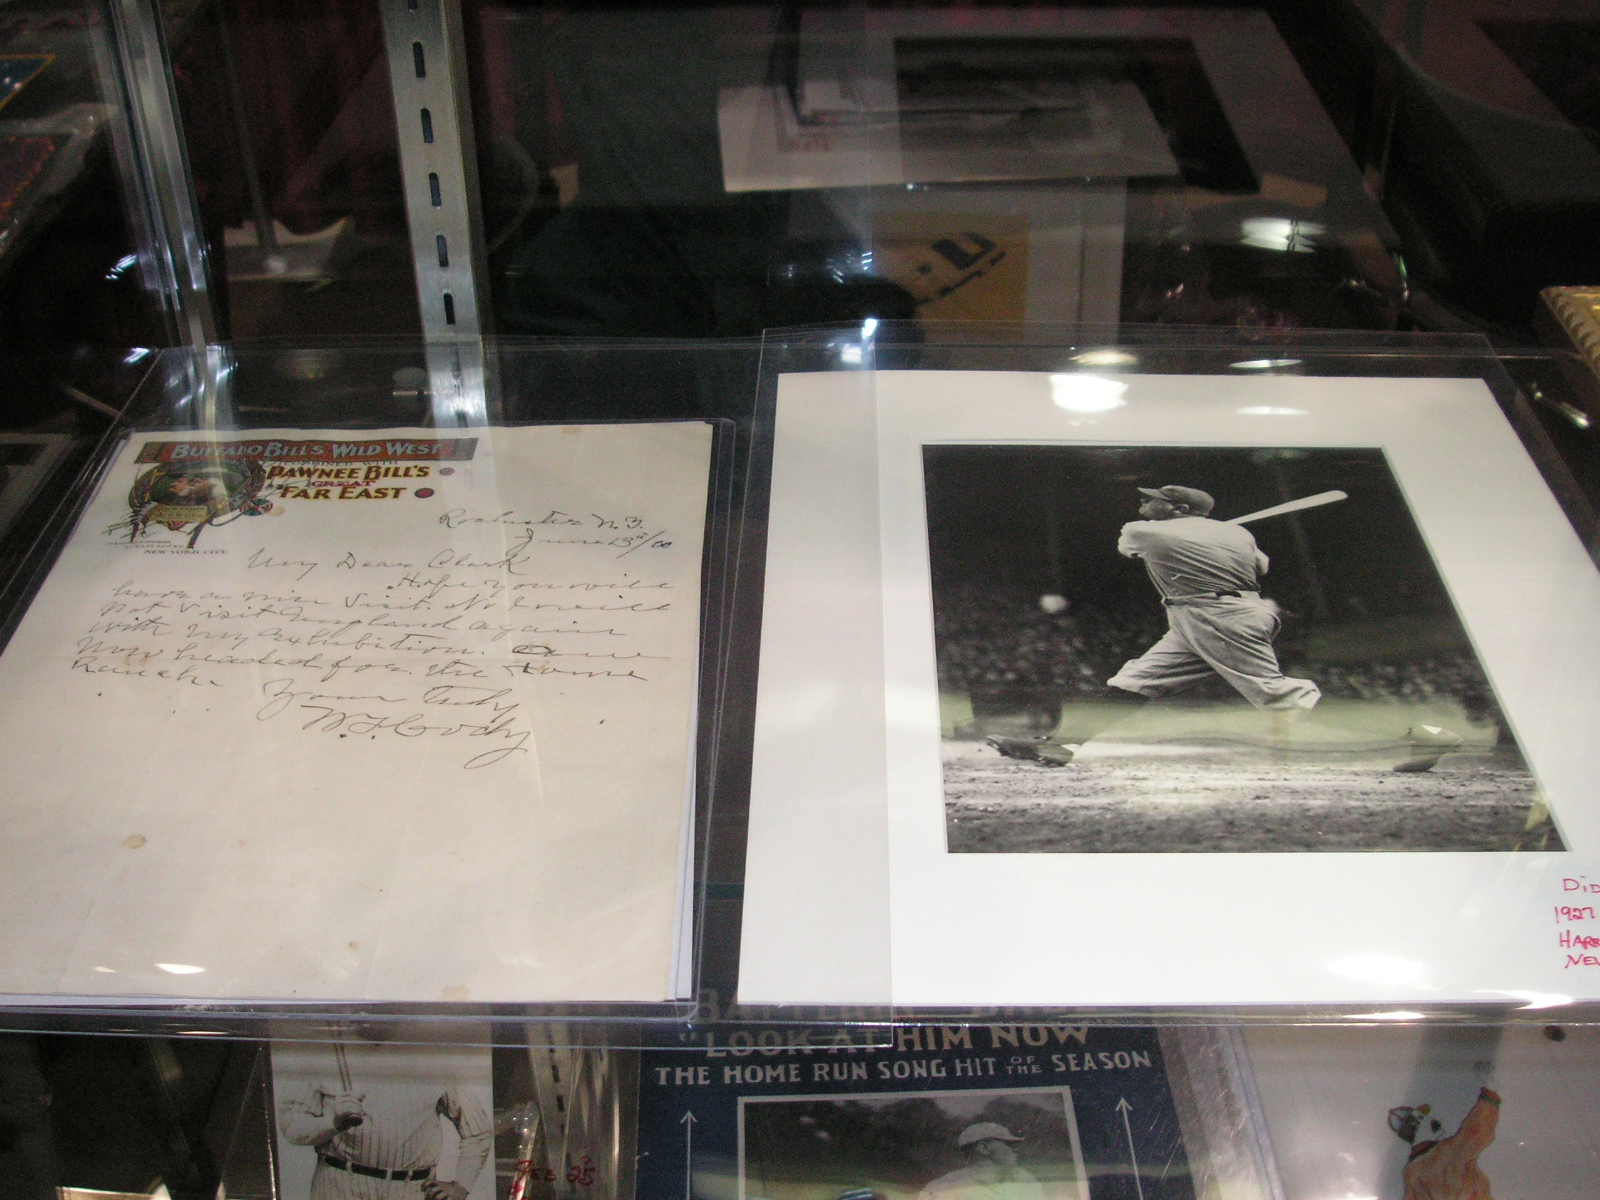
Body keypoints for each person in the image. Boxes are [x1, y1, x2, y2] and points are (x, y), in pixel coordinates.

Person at [1106, 485, 1320, 711]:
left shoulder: (1139, 530)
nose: (1143, 501)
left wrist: (1192, 537)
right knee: (1133, 683)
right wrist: (1214, 538)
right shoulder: (1238, 532)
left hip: (1219, 617)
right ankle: (1084, 736)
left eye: (1153, 499)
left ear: (1180, 508)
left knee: (1277, 693)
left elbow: (1126, 549)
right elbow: (1261, 566)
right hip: (1207, 617)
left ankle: (1339, 726)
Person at [277, 1042, 492, 1200]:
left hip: (411, 1190)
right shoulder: (323, 1053)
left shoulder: (434, 1058)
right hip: (340, 1185)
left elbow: (478, 1131)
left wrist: (461, 1185)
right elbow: (292, 1127)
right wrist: (332, 1123)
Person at [1387, 1087, 1500, 1200]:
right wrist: (1489, 1099)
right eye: (1422, 1117)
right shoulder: (1446, 1153)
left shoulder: (1411, 1174)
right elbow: (1475, 1132)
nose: (1431, 1118)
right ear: (1414, 1126)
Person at [916, 1122, 1047, 1200]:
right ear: (984, 1148)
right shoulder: (943, 1187)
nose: (1015, 1149)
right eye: (1009, 1144)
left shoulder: (1024, 1180)